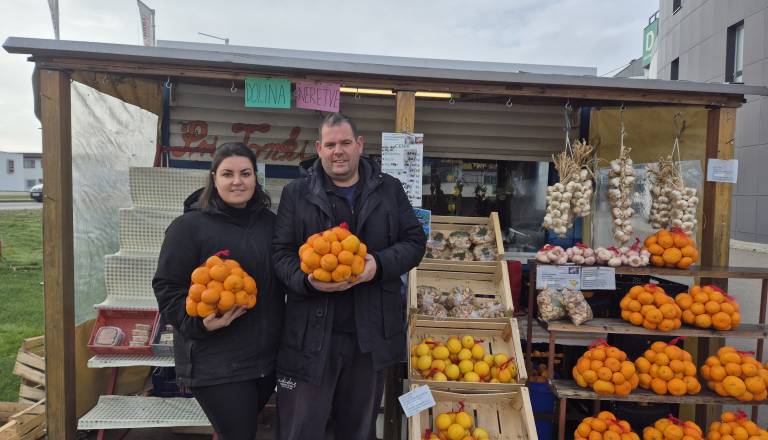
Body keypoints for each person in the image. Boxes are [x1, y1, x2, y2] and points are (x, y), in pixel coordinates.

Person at [272, 112, 427, 439]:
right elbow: (281, 254)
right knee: (302, 427)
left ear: (359, 144)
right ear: (319, 148)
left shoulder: (389, 189)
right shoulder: (296, 193)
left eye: (344, 143)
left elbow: (414, 242)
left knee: (358, 429)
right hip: (310, 336)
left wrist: (378, 266)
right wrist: (306, 281)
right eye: (330, 145)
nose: (337, 151)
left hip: (368, 336)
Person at [153, 142, 283, 440]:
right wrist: (197, 323)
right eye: (227, 174)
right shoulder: (188, 227)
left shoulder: (271, 225)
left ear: (255, 178)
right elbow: (167, 286)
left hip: (264, 362)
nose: (237, 181)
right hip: (215, 362)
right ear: (214, 179)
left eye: (245, 173)